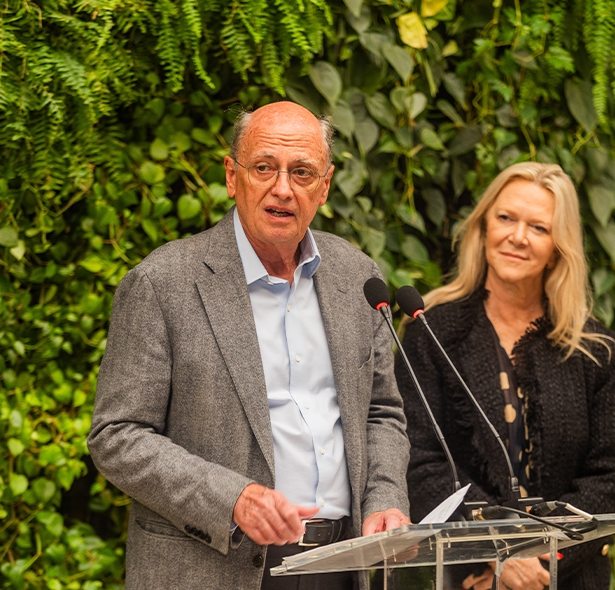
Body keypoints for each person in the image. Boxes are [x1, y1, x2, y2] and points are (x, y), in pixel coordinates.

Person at [88, 101, 411, 590]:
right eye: (264, 168)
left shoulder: (357, 275)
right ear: (232, 176)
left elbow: (382, 413)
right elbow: (117, 435)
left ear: (324, 187)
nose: (282, 188)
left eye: (301, 172)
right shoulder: (162, 282)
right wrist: (231, 499)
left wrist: (386, 497)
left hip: (344, 564)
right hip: (214, 567)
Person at [396, 162, 615, 590]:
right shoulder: (433, 333)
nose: (518, 237)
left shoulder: (593, 349)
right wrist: (495, 555)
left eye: (539, 228)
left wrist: (544, 559)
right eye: (506, 218)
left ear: (560, 245)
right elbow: (422, 463)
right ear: (484, 225)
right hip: (467, 579)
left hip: (566, 577)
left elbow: (608, 475)